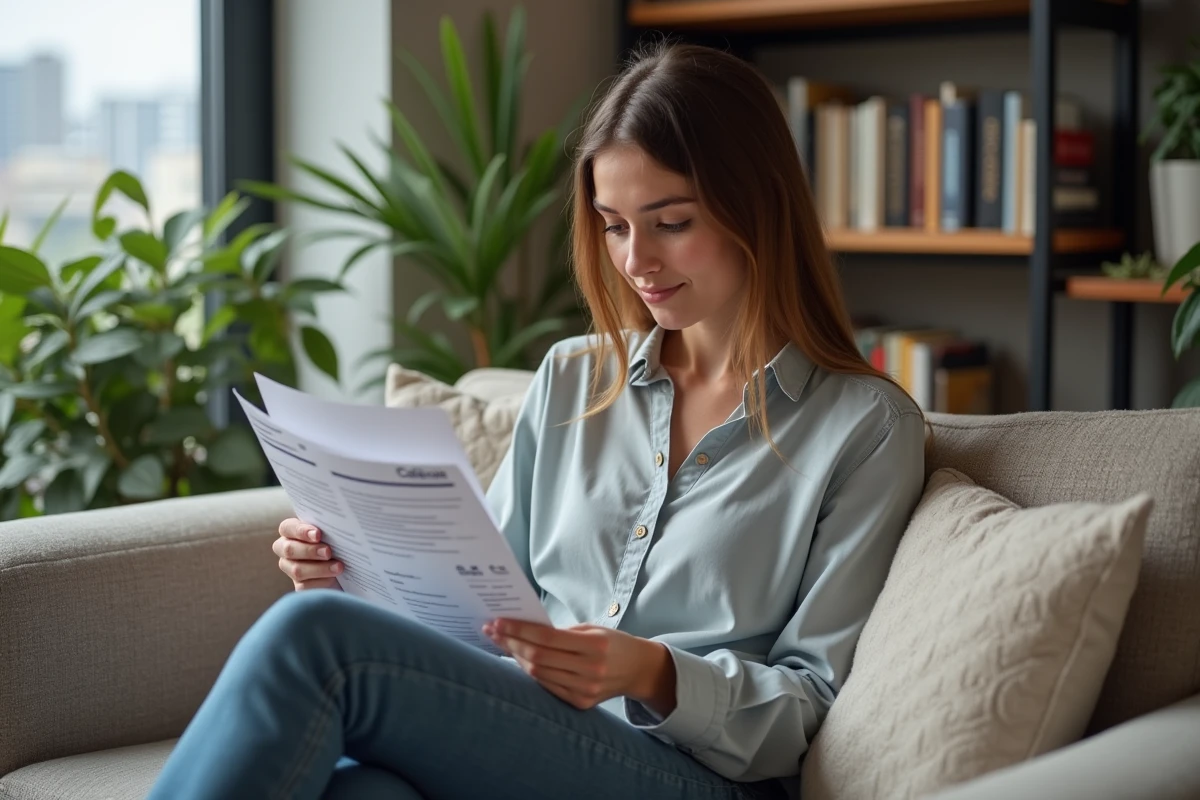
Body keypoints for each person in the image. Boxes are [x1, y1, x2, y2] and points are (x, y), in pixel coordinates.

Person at [148, 40, 927, 800]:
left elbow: (812, 706)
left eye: (671, 221)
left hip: (692, 773)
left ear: (756, 206)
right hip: (531, 729)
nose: (635, 261)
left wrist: (650, 671)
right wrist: (350, 568)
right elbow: (484, 604)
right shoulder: (573, 376)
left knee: (313, 638)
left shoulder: (863, 427)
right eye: (614, 225)